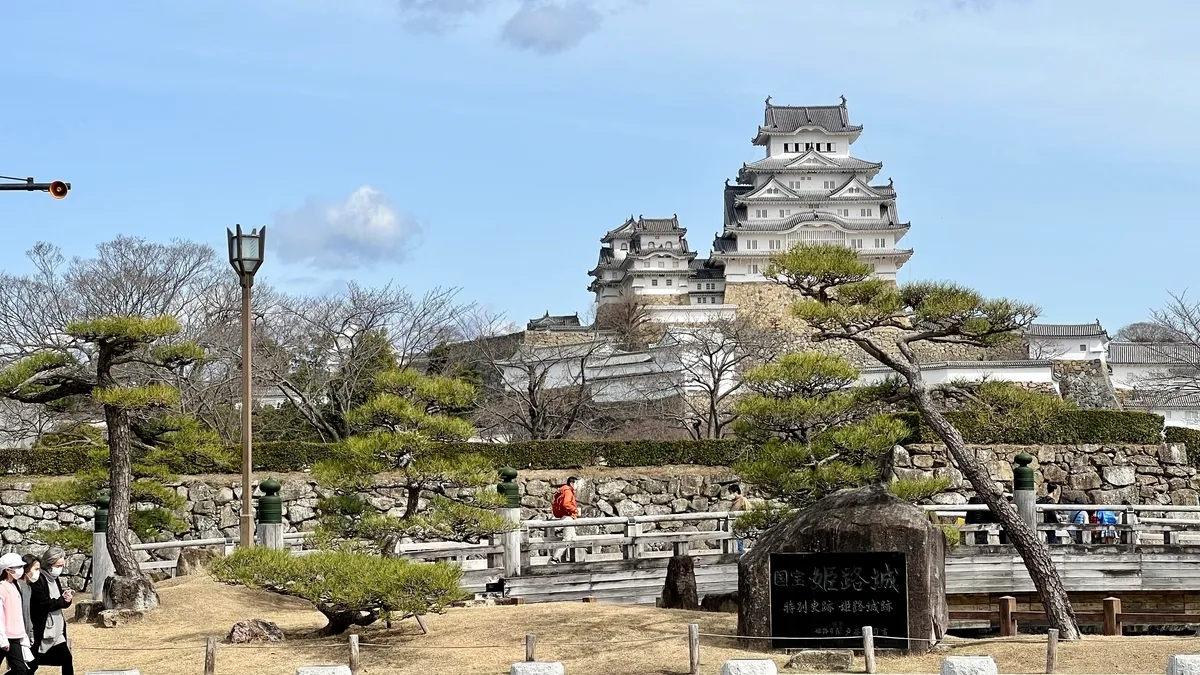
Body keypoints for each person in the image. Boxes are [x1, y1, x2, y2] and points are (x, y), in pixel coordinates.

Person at [28, 548, 73, 675]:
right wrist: (63, 601)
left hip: (57, 629)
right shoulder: (39, 580)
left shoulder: (54, 578)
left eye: (62, 565)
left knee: (67, 659)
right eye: (58, 565)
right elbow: (44, 603)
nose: (60, 568)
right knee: (31, 665)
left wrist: (66, 600)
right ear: (49, 564)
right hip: (43, 629)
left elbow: (59, 601)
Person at [0, 552, 31, 675]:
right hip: (5, 636)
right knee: (20, 670)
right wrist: (2, 638)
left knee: (20, 670)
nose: (21, 570)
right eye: (18, 567)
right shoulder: (2, 587)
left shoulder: (15, 585)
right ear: (8, 570)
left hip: (14, 637)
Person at [549, 477, 579, 564]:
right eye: (575, 483)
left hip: (566, 516)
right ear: (571, 483)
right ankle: (555, 558)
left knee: (573, 538)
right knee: (567, 539)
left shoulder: (564, 490)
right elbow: (566, 504)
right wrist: (575, 510)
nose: (576, 485)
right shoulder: (568, 491)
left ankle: (571, 559)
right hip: (568, 517)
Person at [728, 484, 751, 554]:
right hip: (733, 524)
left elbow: (748, 510)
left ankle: (740, 554)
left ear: (736, 492)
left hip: (739, 523)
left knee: (739, 540)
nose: (730, 494)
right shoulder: (734, 501)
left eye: (731, 492)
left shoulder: (743, 500)